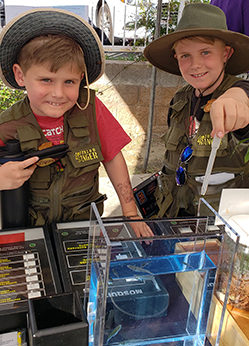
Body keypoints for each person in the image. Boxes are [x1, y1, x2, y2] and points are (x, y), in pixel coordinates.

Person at [0, 8, 152, 238]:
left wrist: (130, 210)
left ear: (81, 78)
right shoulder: (7, 125)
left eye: (69, 81)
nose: (58, 93)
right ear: (20, 76)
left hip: (84, 229)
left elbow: (112, 156)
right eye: (46, 80)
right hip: (32, 232)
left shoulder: (91, 108)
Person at [143, 2, 249, 218]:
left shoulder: (239, 89)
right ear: (176, 58)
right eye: (185, 56)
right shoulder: (180, 98)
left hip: (218, 227)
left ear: (226, 54)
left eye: (205, 52)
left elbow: (242, 96)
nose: (195, 64)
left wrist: (236, 100)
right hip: (173, 216)